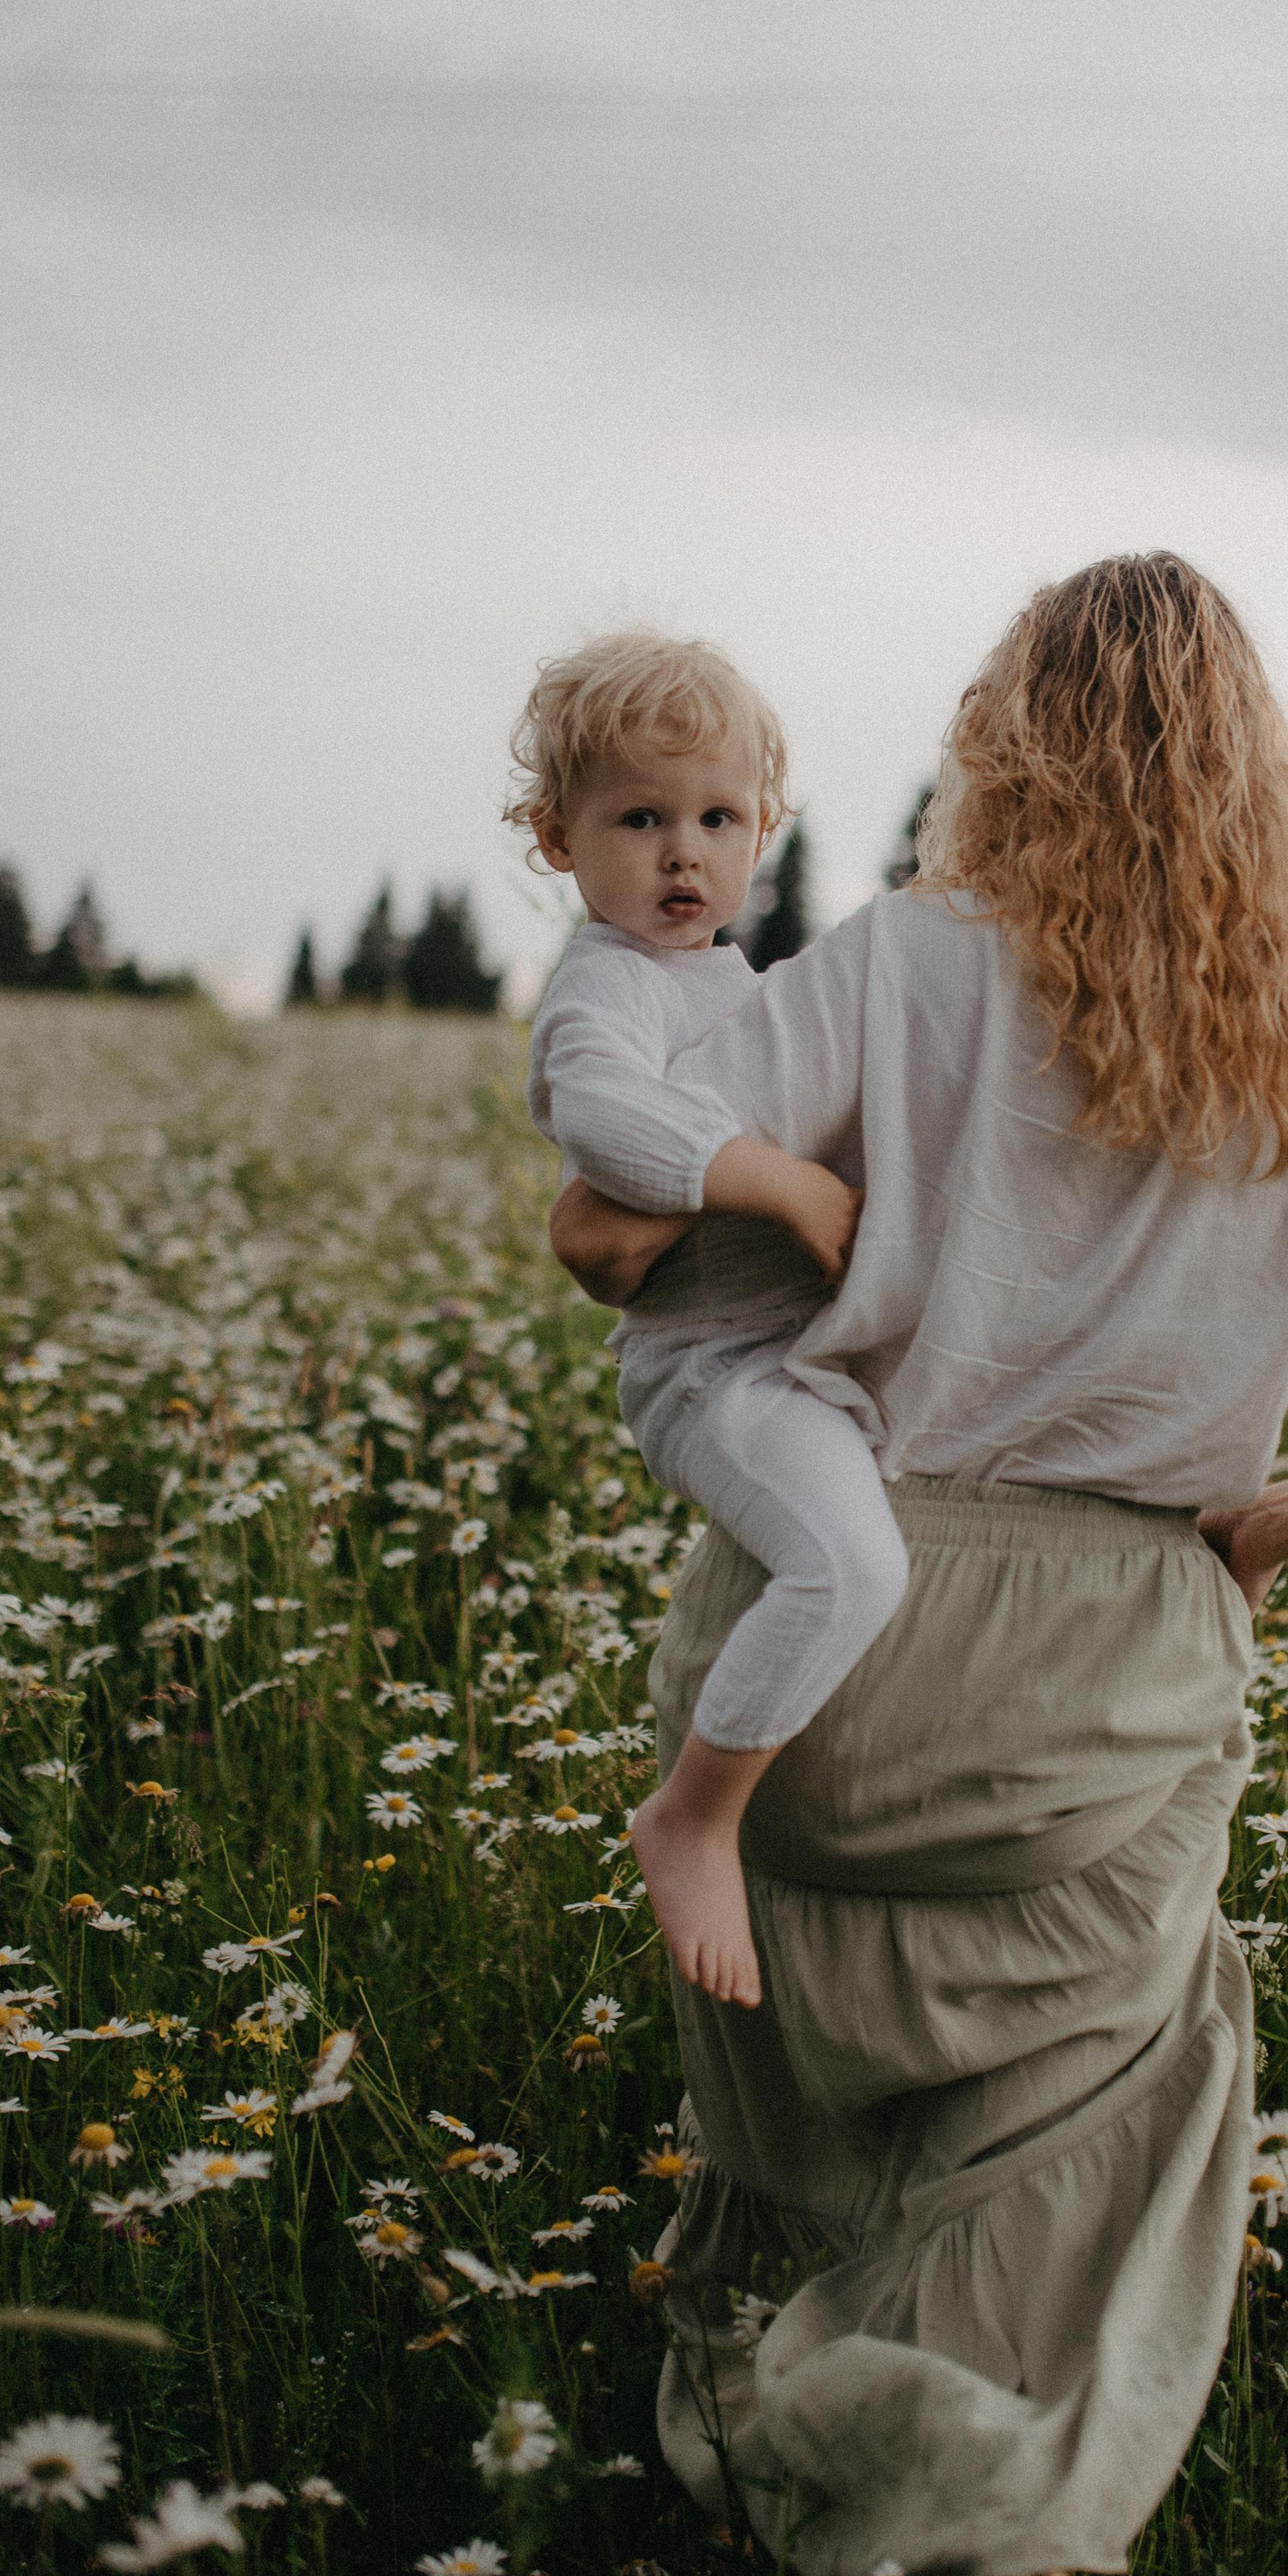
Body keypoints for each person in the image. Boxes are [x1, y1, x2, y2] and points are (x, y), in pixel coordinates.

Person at [550, 554, 1288, 2576]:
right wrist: (1278, 1521)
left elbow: (611, 1221)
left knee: (809, 2133)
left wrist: (793, 1232)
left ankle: (762, 2495)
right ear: (1255, 769)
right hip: (1112, 1654)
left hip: (832, 1624)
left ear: (1006, 740)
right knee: (1073, 2147)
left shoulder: (901, 961)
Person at [512, 630, 911, 2010]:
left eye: (717, 818)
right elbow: (609, 1124)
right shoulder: (601, 988)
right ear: (555, 839)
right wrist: (782, 1181)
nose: (684, 854)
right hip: (716, 1376)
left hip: (796, 1361)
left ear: (765, 829)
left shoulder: (737, 981)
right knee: (850, 1573)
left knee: (877, 1560)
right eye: (639, 818)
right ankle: (692, 1814)